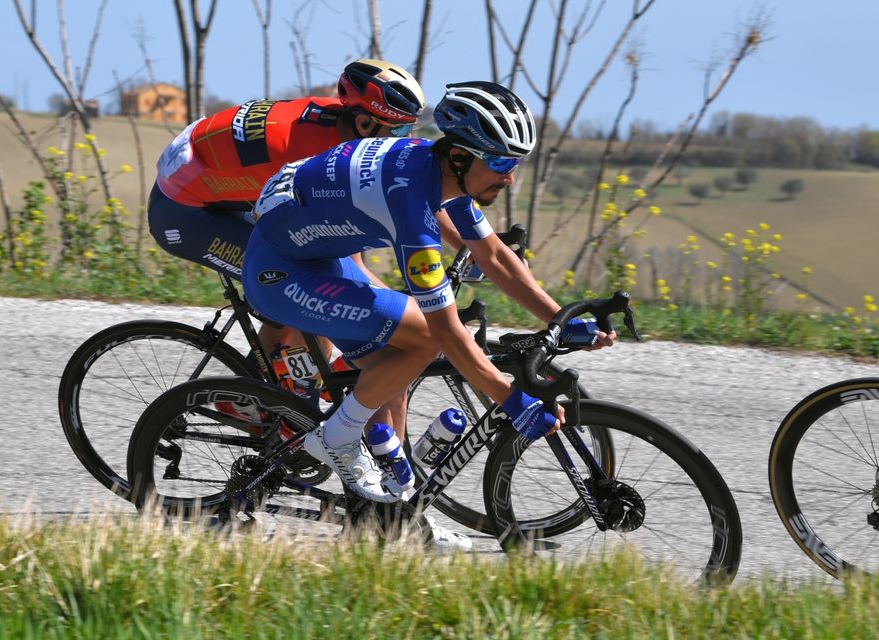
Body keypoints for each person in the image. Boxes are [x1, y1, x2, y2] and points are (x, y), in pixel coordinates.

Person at [241, 81, 616, 519]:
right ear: (459, 156)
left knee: (396, 365)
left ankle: (388, 514)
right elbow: (445, 330)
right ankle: (337, 437)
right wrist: (509, 399)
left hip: (315, 251)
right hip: (282, 272)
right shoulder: (411, 204)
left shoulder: (435, 170)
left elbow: (493, 255)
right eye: (499, 161)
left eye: (514, 162)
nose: (509, 176)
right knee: (422, 340)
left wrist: (558, 319)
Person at [147, 59, 426, 388]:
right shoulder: (312, 159)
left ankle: (269, 394)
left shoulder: (338, 124)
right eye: (397, 130)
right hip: (183, 216)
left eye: (411, 128)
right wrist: (409, 312)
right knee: (308, 284)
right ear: (363, 123)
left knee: (314, 279)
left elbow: (348, 249)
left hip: (210, 186)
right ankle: (260, 401)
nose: (405, 139)